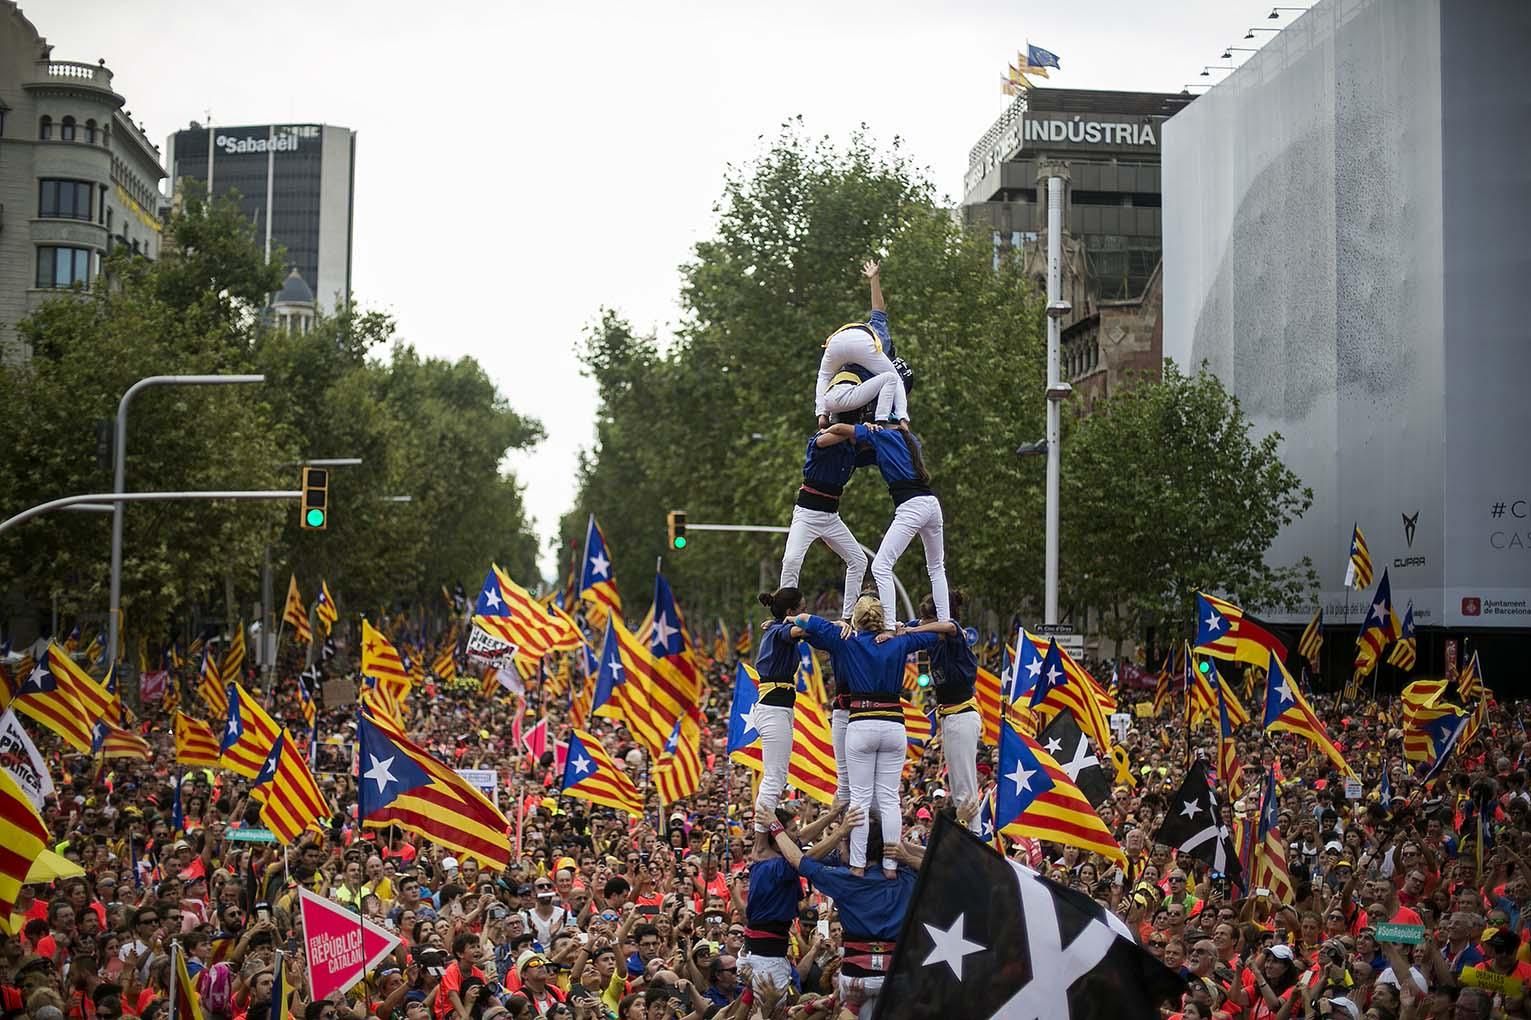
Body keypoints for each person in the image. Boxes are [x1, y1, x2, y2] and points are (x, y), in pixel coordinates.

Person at [796, 597, 940, 876]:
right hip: (894, 725)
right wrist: (904, 630)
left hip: (861, 723)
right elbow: (933, 633)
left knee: (860, 798)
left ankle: (858, 865)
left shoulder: (846, 639)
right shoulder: (898, 642)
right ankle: (889, 865)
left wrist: (794, 620)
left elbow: (805, 621)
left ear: (857, 620)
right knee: (889, 799)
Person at [890, 590, 979, 832]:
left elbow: (948, 627)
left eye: (929, 620)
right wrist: (900, 626)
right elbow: (906, 625)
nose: (925, 625)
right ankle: (971, 832)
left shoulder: (954, 633)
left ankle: (976, 835)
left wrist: (913, 631)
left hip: (962, 715)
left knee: (964, 786)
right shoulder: (930, 632)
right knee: (955, 782)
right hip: (949, 717)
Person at [852, 421, 948, 625]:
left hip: (912, 506)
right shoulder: (909, 439)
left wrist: (830, 426)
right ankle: (946, 621)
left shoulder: (882, 435)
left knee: (880, 566)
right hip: (931, 503)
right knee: (936, 567)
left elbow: (846, 431)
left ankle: (889, 626)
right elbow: (863, 458)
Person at [779, 424, 870, 623]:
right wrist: (853, 429)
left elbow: (879, 447)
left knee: (859, 560)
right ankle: (785, 616)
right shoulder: (824, 440)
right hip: (807, 514)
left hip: (831, 517)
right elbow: (822, 440)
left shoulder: (853, 452)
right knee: (792, 560)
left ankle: (847, 618)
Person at [814, 260, 908, 428]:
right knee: (894, 379)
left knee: (824, 376)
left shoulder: (874, 327)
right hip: (861, 345)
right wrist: (902, 417)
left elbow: (878, 310)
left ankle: (821, 414)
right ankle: (889, 418)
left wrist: (874, 278)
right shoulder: (881, 343)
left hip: (836, 340)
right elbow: (896, 383)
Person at [749, 587, 806, 832]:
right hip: (773, 708)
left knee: (777, 777)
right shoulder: (782, 631)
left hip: (777, 707)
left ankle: (763, 832)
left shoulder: (776, 628)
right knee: (774, 778)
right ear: (791, 612)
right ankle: (760, 839)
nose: (806, 613)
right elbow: (802, 629)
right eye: (802, 610)